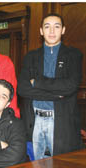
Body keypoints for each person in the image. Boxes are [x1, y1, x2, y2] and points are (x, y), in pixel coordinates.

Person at [17, 13, 83, 160]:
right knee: (36, 162)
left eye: (56, 26)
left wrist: (37, 82)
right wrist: (54, 95)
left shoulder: (74, 55)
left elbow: (70, 86)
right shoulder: (30, 57)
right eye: (47, 27)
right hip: (35, 120)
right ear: (41, 31)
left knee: (61, 162)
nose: (52, 31)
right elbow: (22, 88)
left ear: (63, 30)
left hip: (61, 121)